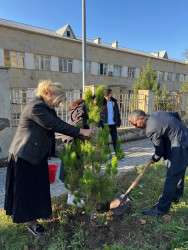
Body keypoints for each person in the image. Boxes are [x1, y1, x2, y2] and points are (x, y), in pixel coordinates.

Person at [4, 80, 92, 236]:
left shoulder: (47, 108)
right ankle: (32, 224)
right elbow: (55, 125)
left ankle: (36, 218)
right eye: (58, 101)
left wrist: (77, 132)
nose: (58, 105)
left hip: (35, 155)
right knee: (28, 191)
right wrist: (81, 132)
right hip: (24, 156)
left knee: (39, 188)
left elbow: (58, 122)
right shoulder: (36, 107)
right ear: (49, 93)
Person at [129, 109, 188, 215]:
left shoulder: (150, 129)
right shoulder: (158, 113)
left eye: (135, 124)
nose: (136, 127)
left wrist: (154, 158)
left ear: (142, 119)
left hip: (179, 147)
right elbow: (176, 114)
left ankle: (161, 208)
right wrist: (177, 130)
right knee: (179, 171)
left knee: (171, 177)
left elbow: (160, 150)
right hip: (185, 139)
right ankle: (176, 196)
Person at [59, 98, 89, 206]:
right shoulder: (81, 109)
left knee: (73, 172)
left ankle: (73, 196)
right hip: (73, 144)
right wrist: (87, 134)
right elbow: (79, 125)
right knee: (74, 172)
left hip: (70, 142)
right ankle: (71, 198)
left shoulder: (75, 108)